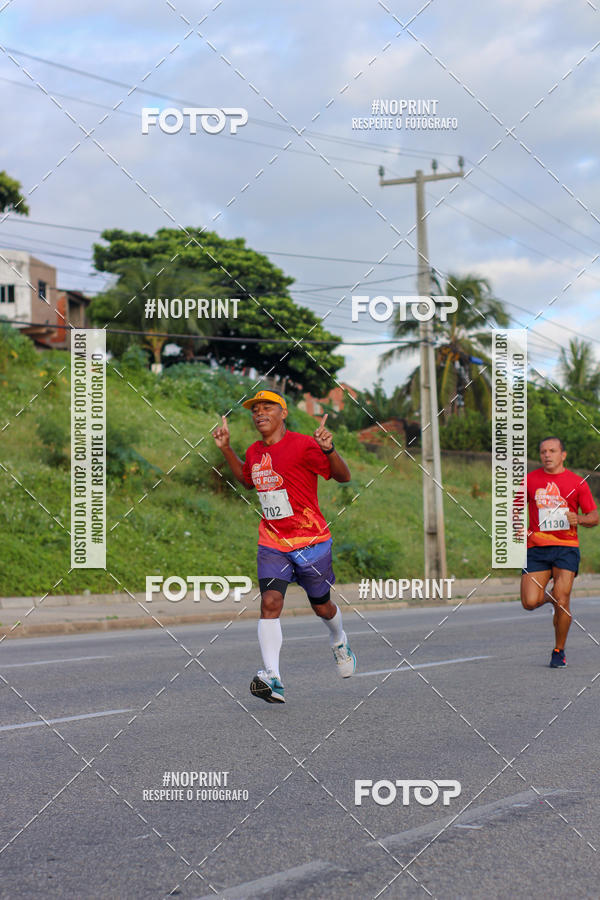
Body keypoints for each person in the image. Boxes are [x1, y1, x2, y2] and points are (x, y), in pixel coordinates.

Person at [212, 389, 356, 703]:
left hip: (311, 541)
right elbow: (247, 480)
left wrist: (329, 450)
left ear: (284, 413)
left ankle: (338, 639)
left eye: (267, 407)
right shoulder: (254, 451)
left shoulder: (304, 445)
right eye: (255, 410)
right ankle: (273, 677)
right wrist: (226, 449)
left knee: (321, 606)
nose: (259, 413)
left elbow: (343, 476)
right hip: (273, 540)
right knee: (270, 602)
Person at [520, 436, 598, 667]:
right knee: (529, 602)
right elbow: (513, 510)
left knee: (563, 599)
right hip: (536, 548)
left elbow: (594, 517)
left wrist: (579, 519)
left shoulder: (577, 482)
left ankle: (558, 651)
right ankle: (552, 597)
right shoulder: (529, 480)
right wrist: (518, 527)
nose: (547, 455)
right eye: (543, 451)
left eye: (552, 451)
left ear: (563, 455)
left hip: (566, 548)